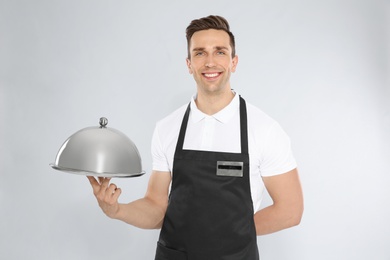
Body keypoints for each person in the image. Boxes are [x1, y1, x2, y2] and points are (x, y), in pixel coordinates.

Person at [87, 15, 304, 260]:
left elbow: (290, 210)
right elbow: (157, 208)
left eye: (220, 52)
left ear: (234, 62)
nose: (210, 62)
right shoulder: (167, 128)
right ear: (189, 64)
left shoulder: (264, 129)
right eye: (200, 53)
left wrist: (228, 236)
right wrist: (116, 210)